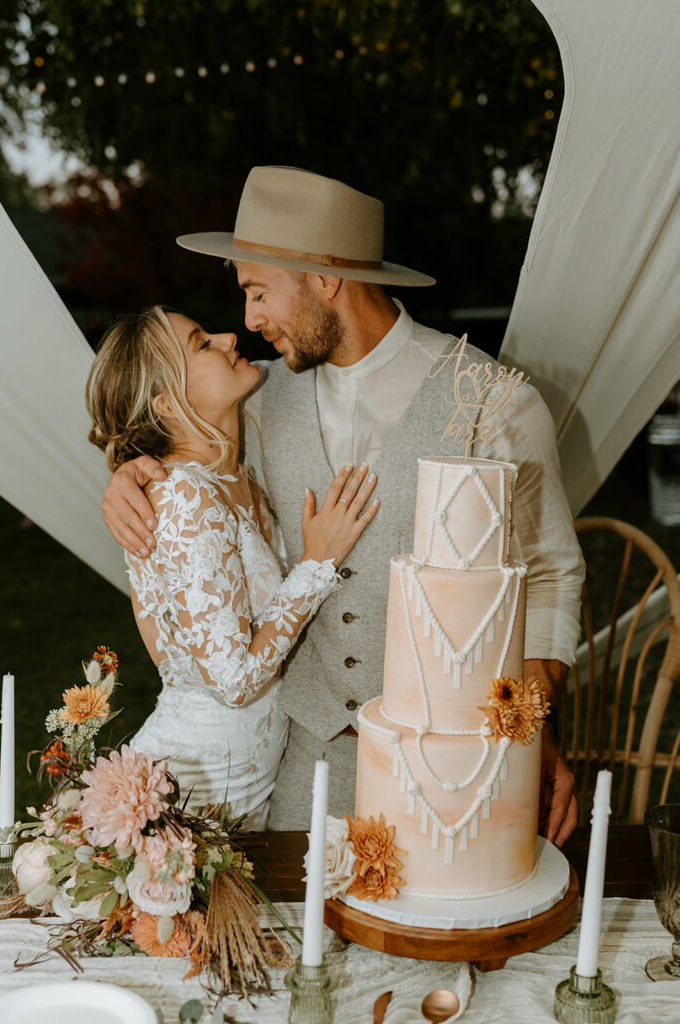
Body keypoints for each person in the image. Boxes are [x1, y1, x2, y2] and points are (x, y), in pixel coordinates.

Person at [101, 167, 585, 844]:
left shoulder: (494, 402)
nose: (248, 321)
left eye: (259, 292)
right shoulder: (255, 397)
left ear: (325, 279)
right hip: (301, 763)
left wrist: (527, 727)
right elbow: (182, 447)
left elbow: (552, 575)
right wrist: (130, 472)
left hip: (449, 766)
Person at [86, 304, 379, 828]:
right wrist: (317, 564)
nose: (228, 335)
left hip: (245, 794)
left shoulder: (237, 478)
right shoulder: (183, 498)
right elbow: (233, 681)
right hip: (181, 796)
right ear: (168, 405)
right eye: (202, 343)